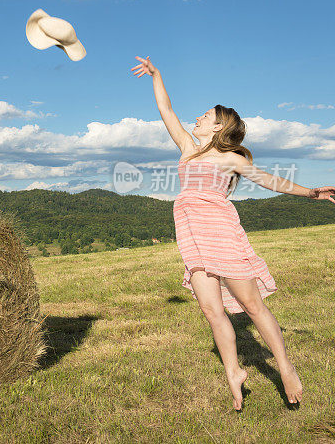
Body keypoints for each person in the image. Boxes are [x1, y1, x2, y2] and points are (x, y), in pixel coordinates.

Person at [131, 55, 335, 411]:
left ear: (217, 127)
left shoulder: (232, 159)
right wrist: (156, 75)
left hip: (222, 234)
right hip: (192, 237)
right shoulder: (187, 149)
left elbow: (273, 182)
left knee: (252, 306)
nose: (197, 118)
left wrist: (313, 193)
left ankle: (285, 369)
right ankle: (234, 372)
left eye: (205, 116)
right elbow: (166, 110)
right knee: (211, 311)